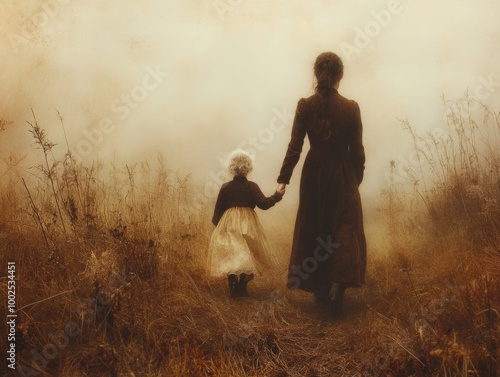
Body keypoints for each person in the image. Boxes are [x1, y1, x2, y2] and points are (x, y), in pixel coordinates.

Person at [276, 51, 366, 317]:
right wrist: (355, 179)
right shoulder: (351, 107)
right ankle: (338, 284)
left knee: (315, 227)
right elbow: (358, 150)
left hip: (314, 171)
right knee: (345, 228)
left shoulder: (305, 104)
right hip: (342, 172)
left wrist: (283, 179)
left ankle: (319, 287)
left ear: (316, 74)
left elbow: (295, 145)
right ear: (341, 76)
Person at [208, 149, 285, 298]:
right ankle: (242, 283)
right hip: (248, 224)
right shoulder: (252, 186)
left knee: (232, 253)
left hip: (229, 224)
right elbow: (263, 204)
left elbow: (217, 213)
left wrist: (219, 225)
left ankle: (233, 282)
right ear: (249, 168)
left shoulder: (225, 188)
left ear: (231, 167)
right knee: (245, 253)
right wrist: (276, 196)